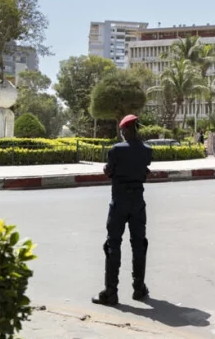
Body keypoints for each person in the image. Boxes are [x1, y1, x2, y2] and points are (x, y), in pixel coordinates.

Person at [92, 114, 153, 306]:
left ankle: (111, 291)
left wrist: (107, 170)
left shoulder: (116, 150)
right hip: (138, 202)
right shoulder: (147, 150)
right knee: (139, 244)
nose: (122, 134)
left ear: (126, 130)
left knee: (113, 245)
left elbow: (109, 171)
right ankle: (138, 288)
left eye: (122, 131)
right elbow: (144, 172)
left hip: (119, 202)